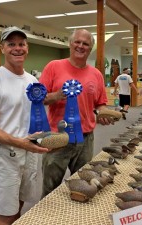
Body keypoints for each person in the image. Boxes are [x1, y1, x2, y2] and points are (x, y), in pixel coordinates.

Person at [0, 26, 50, 225]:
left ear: (27, 47)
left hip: (30, 151)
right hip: (6, 154)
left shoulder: (32, 81)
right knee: (6, 215)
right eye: (11, 44)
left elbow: (33, 116)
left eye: (21, 44)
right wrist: (20, 142)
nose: (17, 48)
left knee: (19, 205)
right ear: (2, 48)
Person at [39, 29, 113, 198]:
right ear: (70, 44)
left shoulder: (96, 74)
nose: (80, 46)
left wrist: (104, 113)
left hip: (85, 138)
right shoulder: (53, 66)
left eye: (85, 43)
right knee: (50, 188)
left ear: (90, 48)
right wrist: (56, 95)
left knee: (84, 186)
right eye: (77, 42)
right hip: (58, 137)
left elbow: (100, 103)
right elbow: (39, 99)